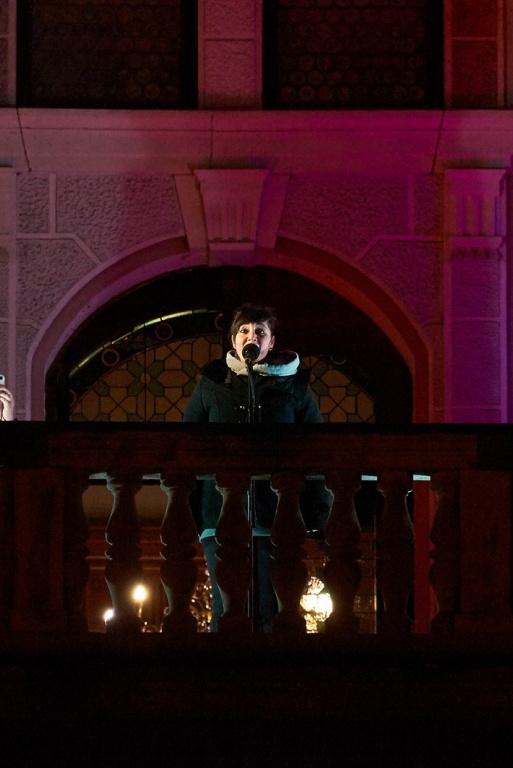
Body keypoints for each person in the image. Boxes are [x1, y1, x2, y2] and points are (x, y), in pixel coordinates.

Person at [184, 303, 332, 632]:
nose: (252, 337)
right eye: (245, 331)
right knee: (225, 604)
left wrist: (317, 515)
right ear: (233, 341)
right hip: (219, 512)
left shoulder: (295, 386)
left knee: (272, 605)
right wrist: (191, 512)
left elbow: (317, 449)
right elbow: (187, 445)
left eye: (260, 332)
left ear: (271, 342)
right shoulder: (212, 383)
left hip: (277, 513)